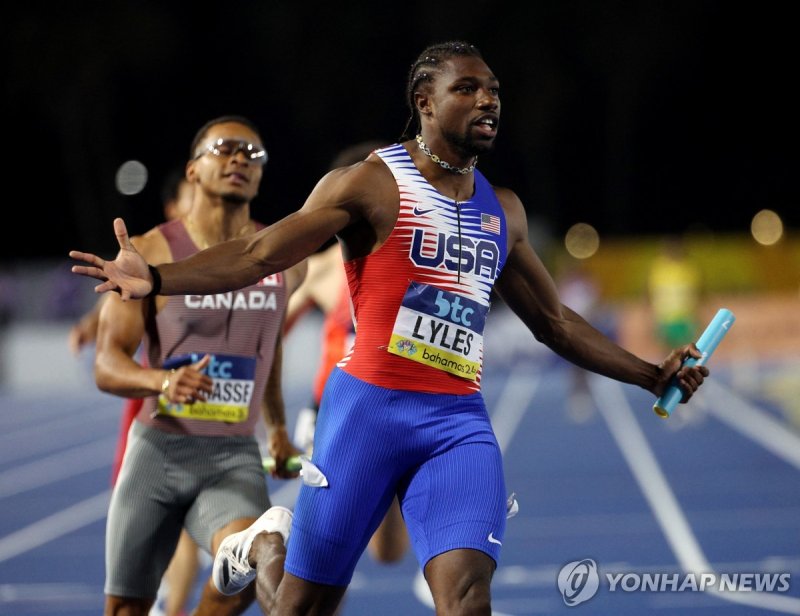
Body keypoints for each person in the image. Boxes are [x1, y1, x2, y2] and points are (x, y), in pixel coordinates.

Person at [71, 42, 709, 615]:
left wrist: (653, 375)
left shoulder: (503, 210)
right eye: (468, 88)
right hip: (366, 414)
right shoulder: (371, 184)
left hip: (458, 424)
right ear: (424, 101)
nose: (488, 99)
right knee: (303, 606)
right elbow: (259, 254)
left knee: (467, 595)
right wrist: (158, 280)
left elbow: (555, 322)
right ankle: (268, 544)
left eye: (494, 91)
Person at [86, 115, 305, 616]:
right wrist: (162, 380)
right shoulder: (150, 255)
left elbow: (267, 350)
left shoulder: (287, 260)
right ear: (192, 171)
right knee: (124, 608)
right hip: (158, 454)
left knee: (254, 565)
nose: (239, 160)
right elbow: (106, 364)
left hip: (232, 455)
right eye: (225, 149)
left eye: (253, 154)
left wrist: (276, 428)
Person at [68, 167, 200, 616]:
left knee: (186, 523)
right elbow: (121, 302)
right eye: (193, 198)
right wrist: (90, 325)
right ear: (172, 208)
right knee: (149, 518)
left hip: (213, 409)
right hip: (157, 403)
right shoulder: (155, 254)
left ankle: (173, 609)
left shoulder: (219, 258)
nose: (206, 207)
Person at [283, 140, 410, 568]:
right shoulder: (321, 268)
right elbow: (266, 330)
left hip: (394, 402)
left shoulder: (412, 257)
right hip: (333, 412)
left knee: (388, 551)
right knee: (328, 551)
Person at [648, 235, 702, 351]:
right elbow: (650, 293)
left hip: (685, 318)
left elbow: (697, 292)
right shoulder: (658, 268)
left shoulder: (688, 267)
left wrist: (699, 315)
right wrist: (649, 317)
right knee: (667, 354)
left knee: (689, 351)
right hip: (665, 318)